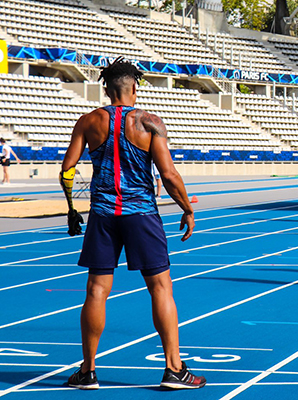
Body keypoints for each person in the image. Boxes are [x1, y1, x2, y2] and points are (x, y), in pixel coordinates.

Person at [59, 58, 205, 390]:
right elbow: (168, 174)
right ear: (134, 89)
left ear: (106, 89)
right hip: (141, 214)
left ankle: (87, 371)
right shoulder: (150, 122)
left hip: (103, 214)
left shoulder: (88, 121)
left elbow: (67, 169)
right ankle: (173, 369)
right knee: (160, 287)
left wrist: (71, 207)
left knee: (97, 290)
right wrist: (187, 208)